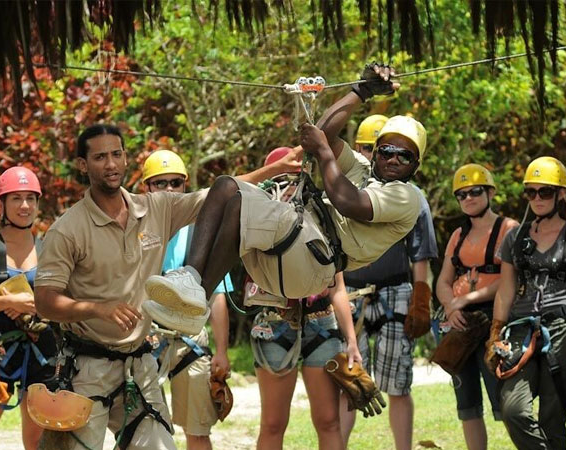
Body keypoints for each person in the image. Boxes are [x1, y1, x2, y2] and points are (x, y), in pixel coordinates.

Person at [33, 124, 291, 449]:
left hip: (138, 367)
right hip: (87, 367)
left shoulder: (156, 208)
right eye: (100, 157)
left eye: (116, 154)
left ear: (126, 158)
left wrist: (278, 168)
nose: (111, 164)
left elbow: (223, 193)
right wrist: (96, 308)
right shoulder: (67, 229)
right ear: (83, 165)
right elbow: (44, 301)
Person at [143, 64, 424, 360]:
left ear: (415, 165)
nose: (393, 159)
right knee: (225, 186)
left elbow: (347, 200)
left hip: (314, 261)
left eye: (404, 155)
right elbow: (320, 136)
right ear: (377, 151)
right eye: (386, 151)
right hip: (291, 251)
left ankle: (197, 297)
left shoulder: (406, 196)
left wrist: (325, 152)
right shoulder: (362, 169)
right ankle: (193, 283)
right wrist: (360, 92)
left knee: (240, 204)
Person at [240, 147, 361, 450]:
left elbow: (338, 287)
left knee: (329, 420)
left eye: (296, 178)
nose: (290, 186)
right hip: (274, 320)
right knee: (273, 422)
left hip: (322, 322)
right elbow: (228, 186)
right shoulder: (254, 220)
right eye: (280, 178)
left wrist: (351, 341)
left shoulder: (321, 218)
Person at [338, 124, 439, 450]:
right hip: (350, 291)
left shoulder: (411, 196)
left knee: (398, 384)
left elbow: (420, 254)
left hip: (395, 291)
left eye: (401, 154)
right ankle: (336, 445)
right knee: (348, 382)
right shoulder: (352, 186)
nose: (385, 157)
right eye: (376, 149)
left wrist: (421, 300)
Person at [486, 156, 566, 450]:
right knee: (513, 409)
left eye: (544, 191)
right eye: (530, 192)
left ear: (561, 194)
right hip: (521, 329)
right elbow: (505, 290)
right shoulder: (514, 237)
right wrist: (496, 332)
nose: (537, 198)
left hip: (564, 328)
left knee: (552, 416)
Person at [138, 150, 233, 450]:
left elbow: (217, 298)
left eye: (175, 183)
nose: (169, 190)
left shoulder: (201, 236)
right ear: (146, 188)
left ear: (185, 186)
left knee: (198, 432)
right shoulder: (135, 234)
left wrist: (222, 351)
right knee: (144, 430)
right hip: (146, 342)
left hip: (192, 342)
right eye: (160, 183)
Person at [0, 167, 54, 450]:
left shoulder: (48, 248)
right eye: (16, 198)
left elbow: (62, 301)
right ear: (0, 204)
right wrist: (9, 302)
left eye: (30, 198)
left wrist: (39, 307)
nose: (24, 206)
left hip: (41, 353)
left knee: (38, 441)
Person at [434, 164, 518, 450]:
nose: (468, 198)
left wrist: (467, 299)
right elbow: (443, 281)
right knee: (466, 400)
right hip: (458, 321)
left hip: (493, 318)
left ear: (490, 192)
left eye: (475, 191)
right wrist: (451, 306)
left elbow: (509, 279)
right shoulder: (458, 235)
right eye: (462, 194)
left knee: (504, 399)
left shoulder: (509, 229)